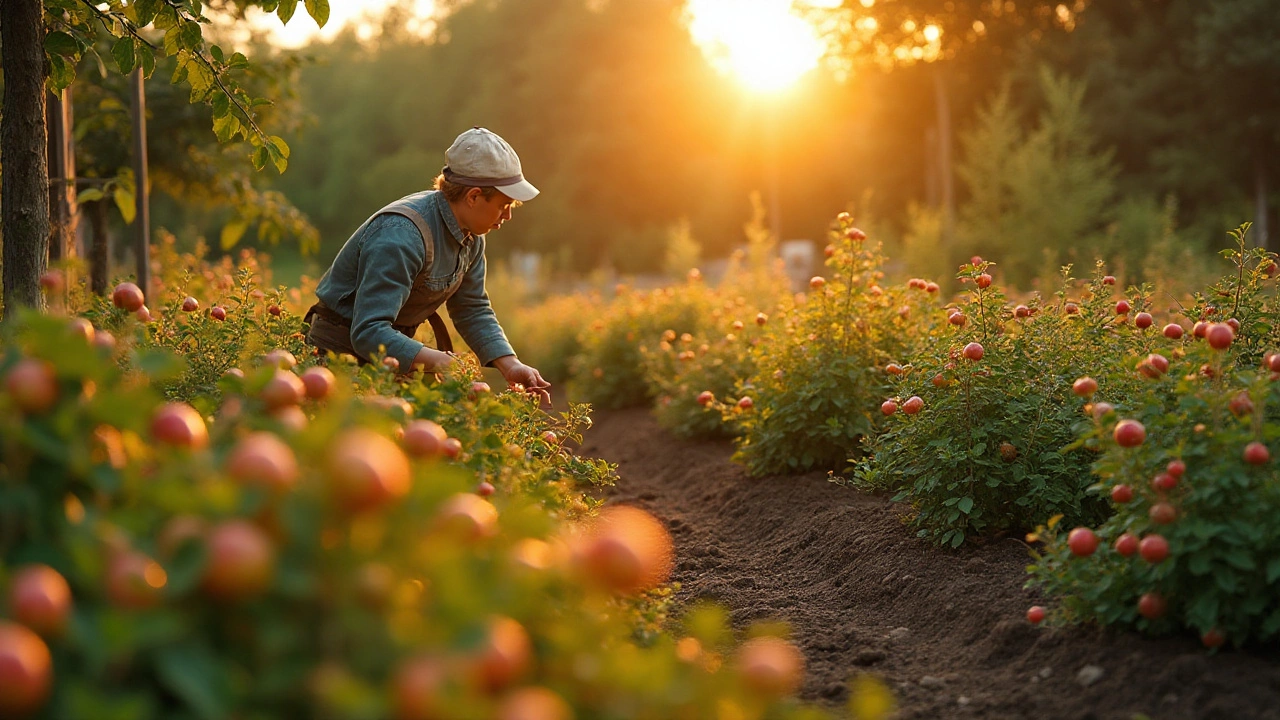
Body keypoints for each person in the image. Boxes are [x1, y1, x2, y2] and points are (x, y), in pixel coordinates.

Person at [304, 127, 551, 405]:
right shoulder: (401, 236)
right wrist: (442, 362)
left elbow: (472, 308)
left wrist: (511, 364)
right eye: (504, 205)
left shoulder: (471, 236)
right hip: (338, 356)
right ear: (473, 196)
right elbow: (369, 331)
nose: (507, 215)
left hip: (392, 357)